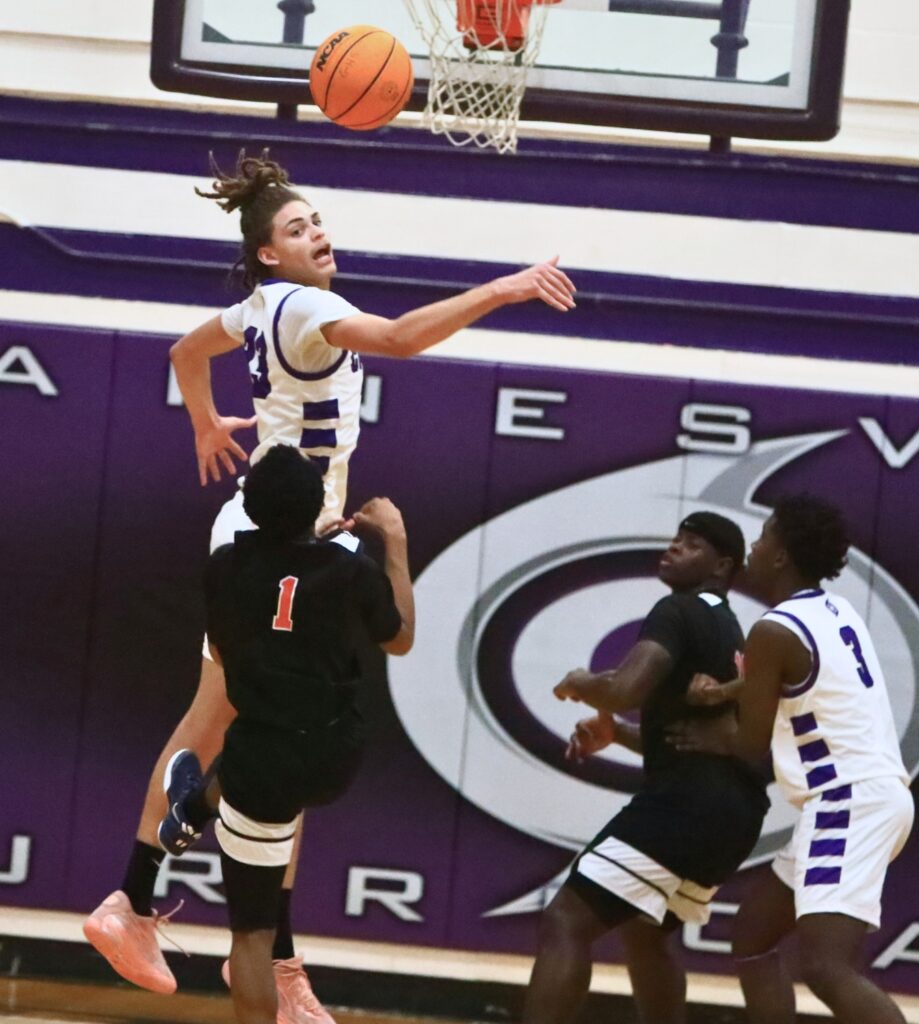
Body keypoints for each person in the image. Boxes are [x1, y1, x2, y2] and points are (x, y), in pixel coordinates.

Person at [83, 151, 577, 1019]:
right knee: (235, 727)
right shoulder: (309, 306)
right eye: (298, 228)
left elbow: (182, 349)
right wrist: (504, 290)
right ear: (270, 253)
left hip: (280, 536)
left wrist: (204, 420)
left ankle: (260, 952)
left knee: (288, 746)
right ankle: (136, 906)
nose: (318, 234)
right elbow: (399, 339)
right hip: (273, 545)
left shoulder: (259, 304)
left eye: (318, 221)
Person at [156, 444, 413, 1024]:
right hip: (334, 753)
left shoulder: (224, 566)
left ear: (249, 509)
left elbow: (221, 652)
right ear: (317, 507)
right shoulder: (351, 569)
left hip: (262, 763)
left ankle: (197, 807)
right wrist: (394, 543)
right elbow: (400, 639)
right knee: (258, 758)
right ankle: (195, 805)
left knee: (251, 937)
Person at [521, 512, 769, 1024]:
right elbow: (684, 737)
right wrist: (619, 733)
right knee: (644, 930)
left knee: (565, 921)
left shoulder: (678, 610)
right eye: (676, 539)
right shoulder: (726, 625)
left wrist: (581, 681)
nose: (674, 548)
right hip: (735, 815)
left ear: (722, 565)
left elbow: (624, 689)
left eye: (692, 543)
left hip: (690, 803)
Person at [688, 495, 913, 1024]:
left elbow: (749, 745)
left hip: (846, 802)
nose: (755, 546)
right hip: (872, 796)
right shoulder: (835, 610)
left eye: (764, 536)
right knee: (753, 933)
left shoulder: (773, 630)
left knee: (825, 966)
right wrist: (731, 692)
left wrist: (708, 733)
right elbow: (794, 678)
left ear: (783, 555)